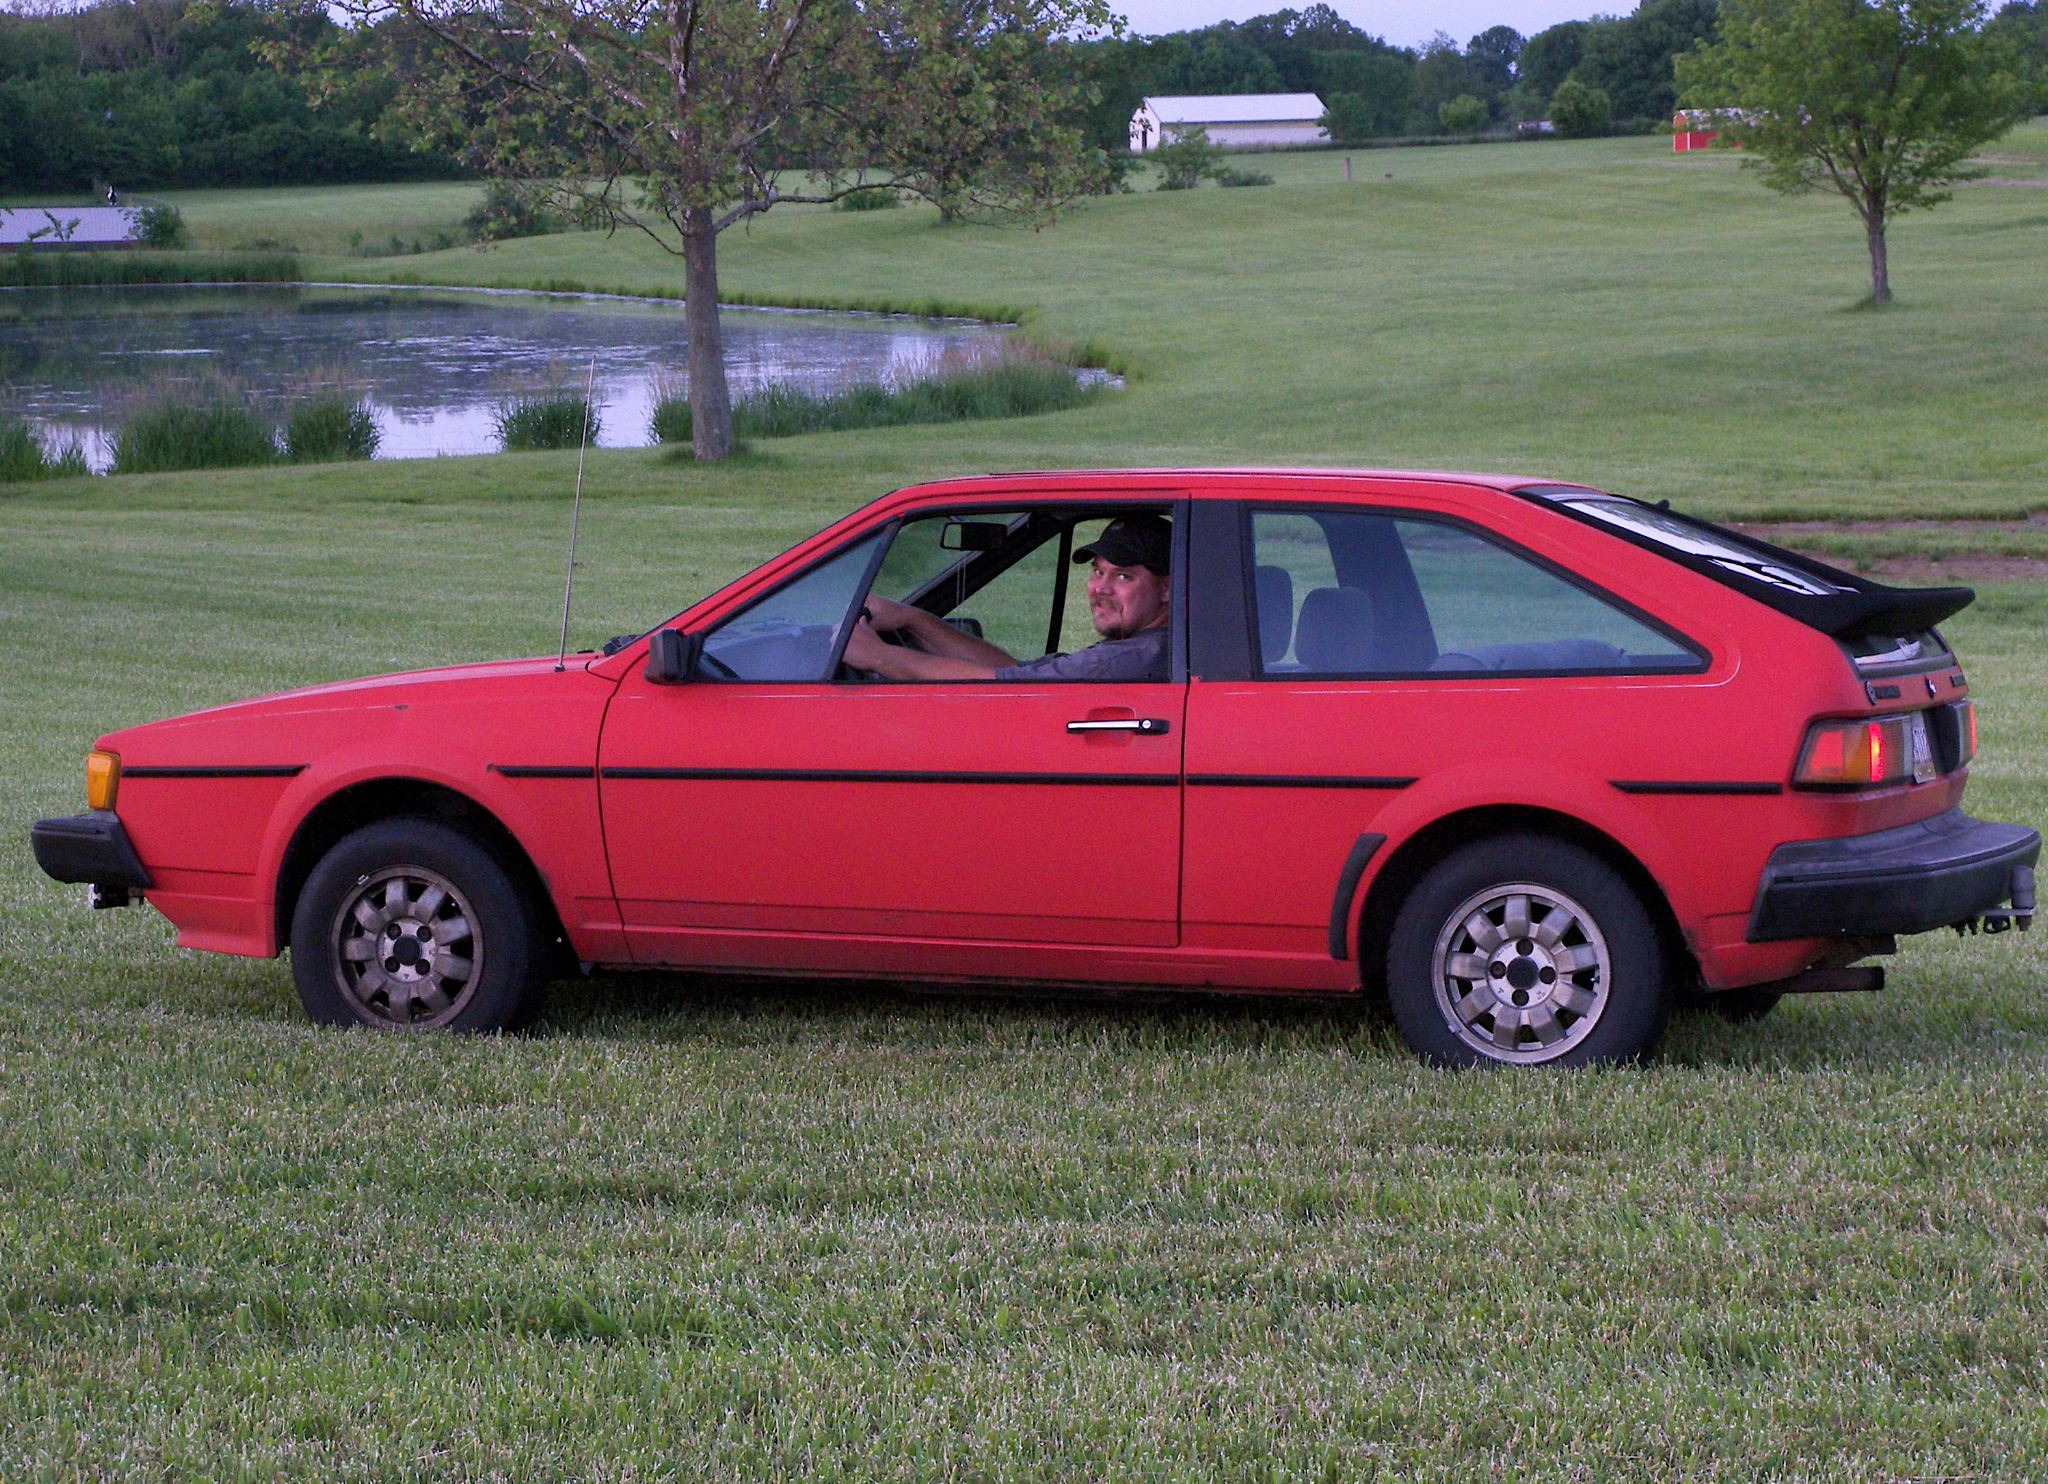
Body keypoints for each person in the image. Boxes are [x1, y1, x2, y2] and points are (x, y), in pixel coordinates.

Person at [841, 513, 1171, 682]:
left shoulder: (1126, 660)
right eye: (1098, 572)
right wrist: (913, 619)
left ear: (1167, 588)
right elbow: (1014, 672)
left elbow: (1002, 686)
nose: (1100, 589)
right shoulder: (1159, 647)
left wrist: (877, 657)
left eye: (1123, 576)